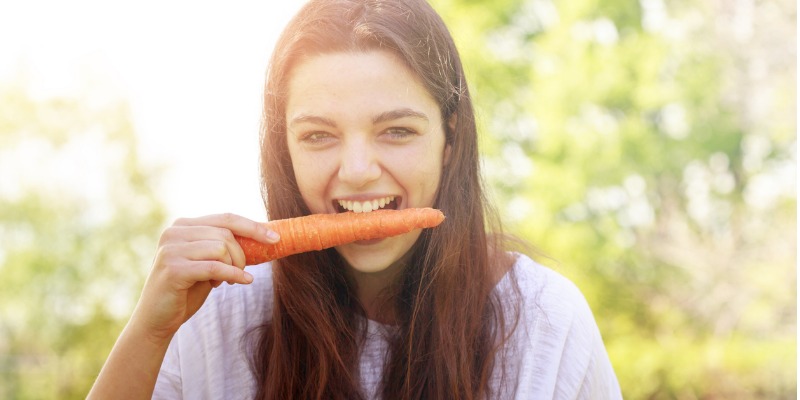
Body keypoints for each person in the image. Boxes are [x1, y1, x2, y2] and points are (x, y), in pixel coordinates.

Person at [89, 0, 622, 398]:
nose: (359, 171)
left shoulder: (544, 323)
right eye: (319, 136)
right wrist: (149, 330)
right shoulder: (212, 315)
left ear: (450, 140)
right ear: (285, 150)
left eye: (397, 131)